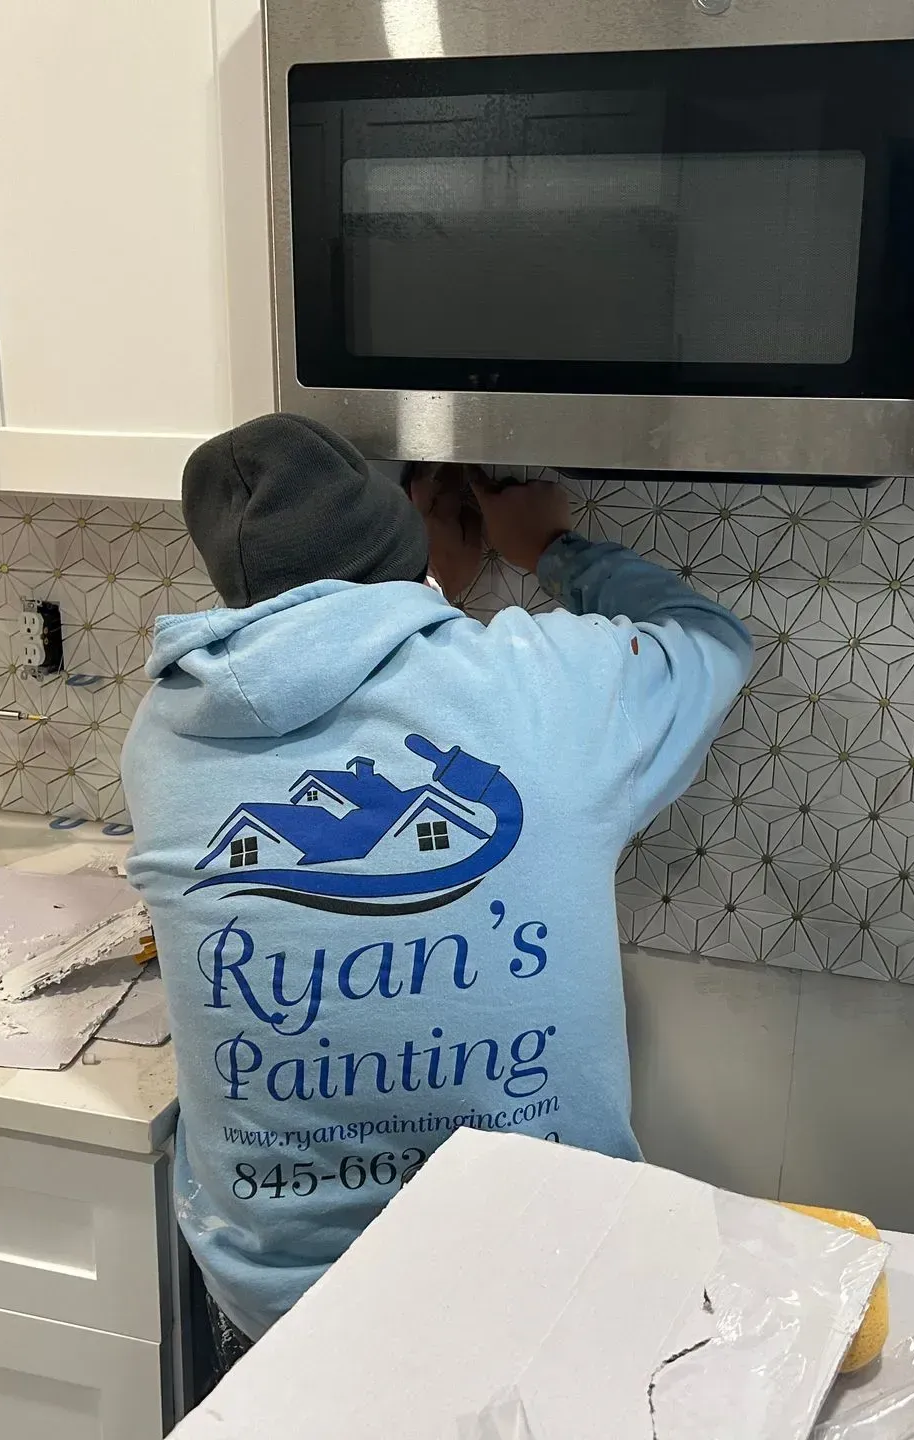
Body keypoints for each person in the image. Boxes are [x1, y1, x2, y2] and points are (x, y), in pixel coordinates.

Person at [122, 414, 752, 1376]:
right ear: (412, 543)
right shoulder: (550, 688)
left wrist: (415, 583)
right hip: (532, 1277)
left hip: (278, 1307)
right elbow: (711, 641)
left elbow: (327, 667)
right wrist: (546, 545)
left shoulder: (165, 736)